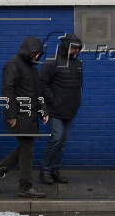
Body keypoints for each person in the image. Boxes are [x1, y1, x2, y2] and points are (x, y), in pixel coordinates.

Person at [0, 36, 49, 198]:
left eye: (39, 54)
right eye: (34, 53)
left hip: (30, 116)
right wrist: (11, 115)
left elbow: (37, 93)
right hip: (18, 115)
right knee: (27, 149)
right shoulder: (13, 64)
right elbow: (8, 90)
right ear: (27, 50)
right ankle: (25, 186)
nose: (36, 57)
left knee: (25, 148)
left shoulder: (32, 68)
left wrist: (43, 111)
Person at [39, 34, 83, 184]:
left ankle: (55, 170)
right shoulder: (52, 63)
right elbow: (42, 84)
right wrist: (52, 100)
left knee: (63, 143)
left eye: (78, 48)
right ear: (66, 47)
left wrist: (77, 101)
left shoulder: (78, 64)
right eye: (73, 48)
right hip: (55, 110)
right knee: (56, 139)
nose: (76, 51)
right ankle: (45, 171)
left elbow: (79, 85)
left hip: (70, 110)